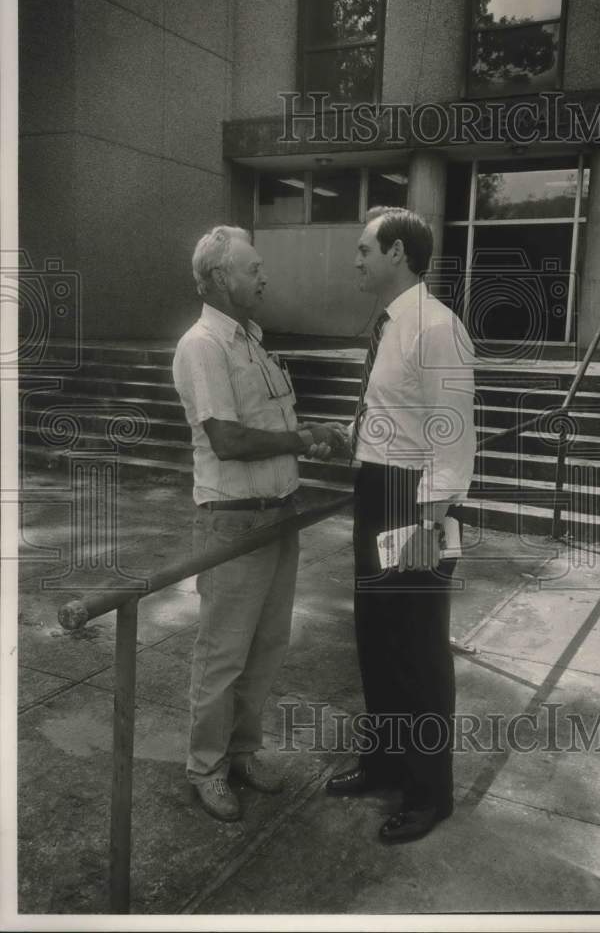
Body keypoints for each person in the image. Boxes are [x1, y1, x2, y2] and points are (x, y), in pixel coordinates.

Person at [173, 225, 341, 822]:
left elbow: (265, 424)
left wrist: (312, 434)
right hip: (233, 526)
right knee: (222, 655)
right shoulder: (204, 345)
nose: (262, 276)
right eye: (253, 268)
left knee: (265, 648)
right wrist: (300, 438)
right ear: (221, 278)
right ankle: (206, 769)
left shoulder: (251, 340)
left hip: (278, 518)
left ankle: (242, 753)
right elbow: (227, 438)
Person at [324, 207, 477, 843]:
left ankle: (428, 791)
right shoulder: (389, 325)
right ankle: (384, 761)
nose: (356, 259)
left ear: (397, 253)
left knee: (417, 653)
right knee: (378, 640)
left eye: (364, 249)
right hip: (378, 488)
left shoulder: (438, 327)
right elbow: (392, 409)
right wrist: (351, 440)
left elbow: (453, 430)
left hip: (416, 500)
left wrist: (430, 518)